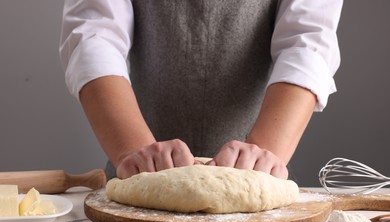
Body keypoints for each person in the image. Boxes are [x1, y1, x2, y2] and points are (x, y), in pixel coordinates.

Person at [59, 0, 343, 180]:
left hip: (260, 178)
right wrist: (132, 153)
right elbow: (94, 37)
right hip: (134, 176)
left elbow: (306, 42)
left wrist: (263, 157)